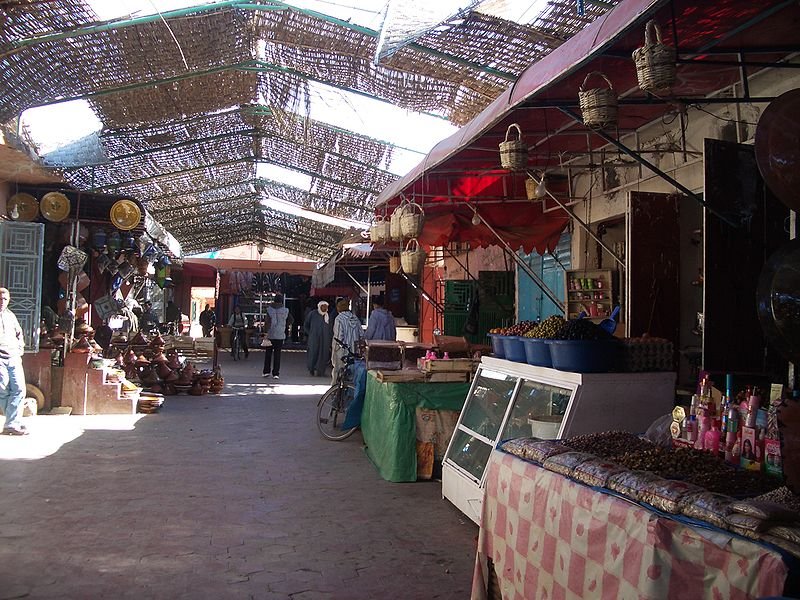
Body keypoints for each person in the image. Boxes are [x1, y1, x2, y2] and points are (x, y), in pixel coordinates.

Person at [0, 288, 28, 435]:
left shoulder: (11, 316)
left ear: (8, 300)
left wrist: (19, 350)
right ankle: (13, 421)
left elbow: (19, 334)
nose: (2, 302)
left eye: (4, 299)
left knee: (19, 389)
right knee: (2, 389)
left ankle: (12, 423)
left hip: (13, 357)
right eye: (0, 299)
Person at [332, 298, 364, 382]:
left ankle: (336, 391)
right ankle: (350, 392)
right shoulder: (355, 318)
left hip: (343, 352)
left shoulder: (339, 319)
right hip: (355, 352)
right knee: (352, 374)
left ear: (338, 307)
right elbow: (361, 335)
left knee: (338, 372)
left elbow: (338, 337)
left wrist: (334, 352)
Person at [262, 295, 293, 379]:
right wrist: (284, 325)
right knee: (277, 354)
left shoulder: (269, 310)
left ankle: (266, 371)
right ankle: (276, 373)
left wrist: (265, 332)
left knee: (268, 354)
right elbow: (291, 320)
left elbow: (267, 322)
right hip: (280, 334)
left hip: (271, 334)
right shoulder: (285, 310)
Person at [304, 300, 333, 377]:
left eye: (326, 307)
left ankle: (321, 371)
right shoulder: (313, 314)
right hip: (314, 338)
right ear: (319, 306)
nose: (325, 308)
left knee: (323, 354)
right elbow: (306, 324)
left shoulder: (328, 316)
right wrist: (310, 333)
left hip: (325, 339)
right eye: (323, 306)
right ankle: (311, 369)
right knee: (313, 353)